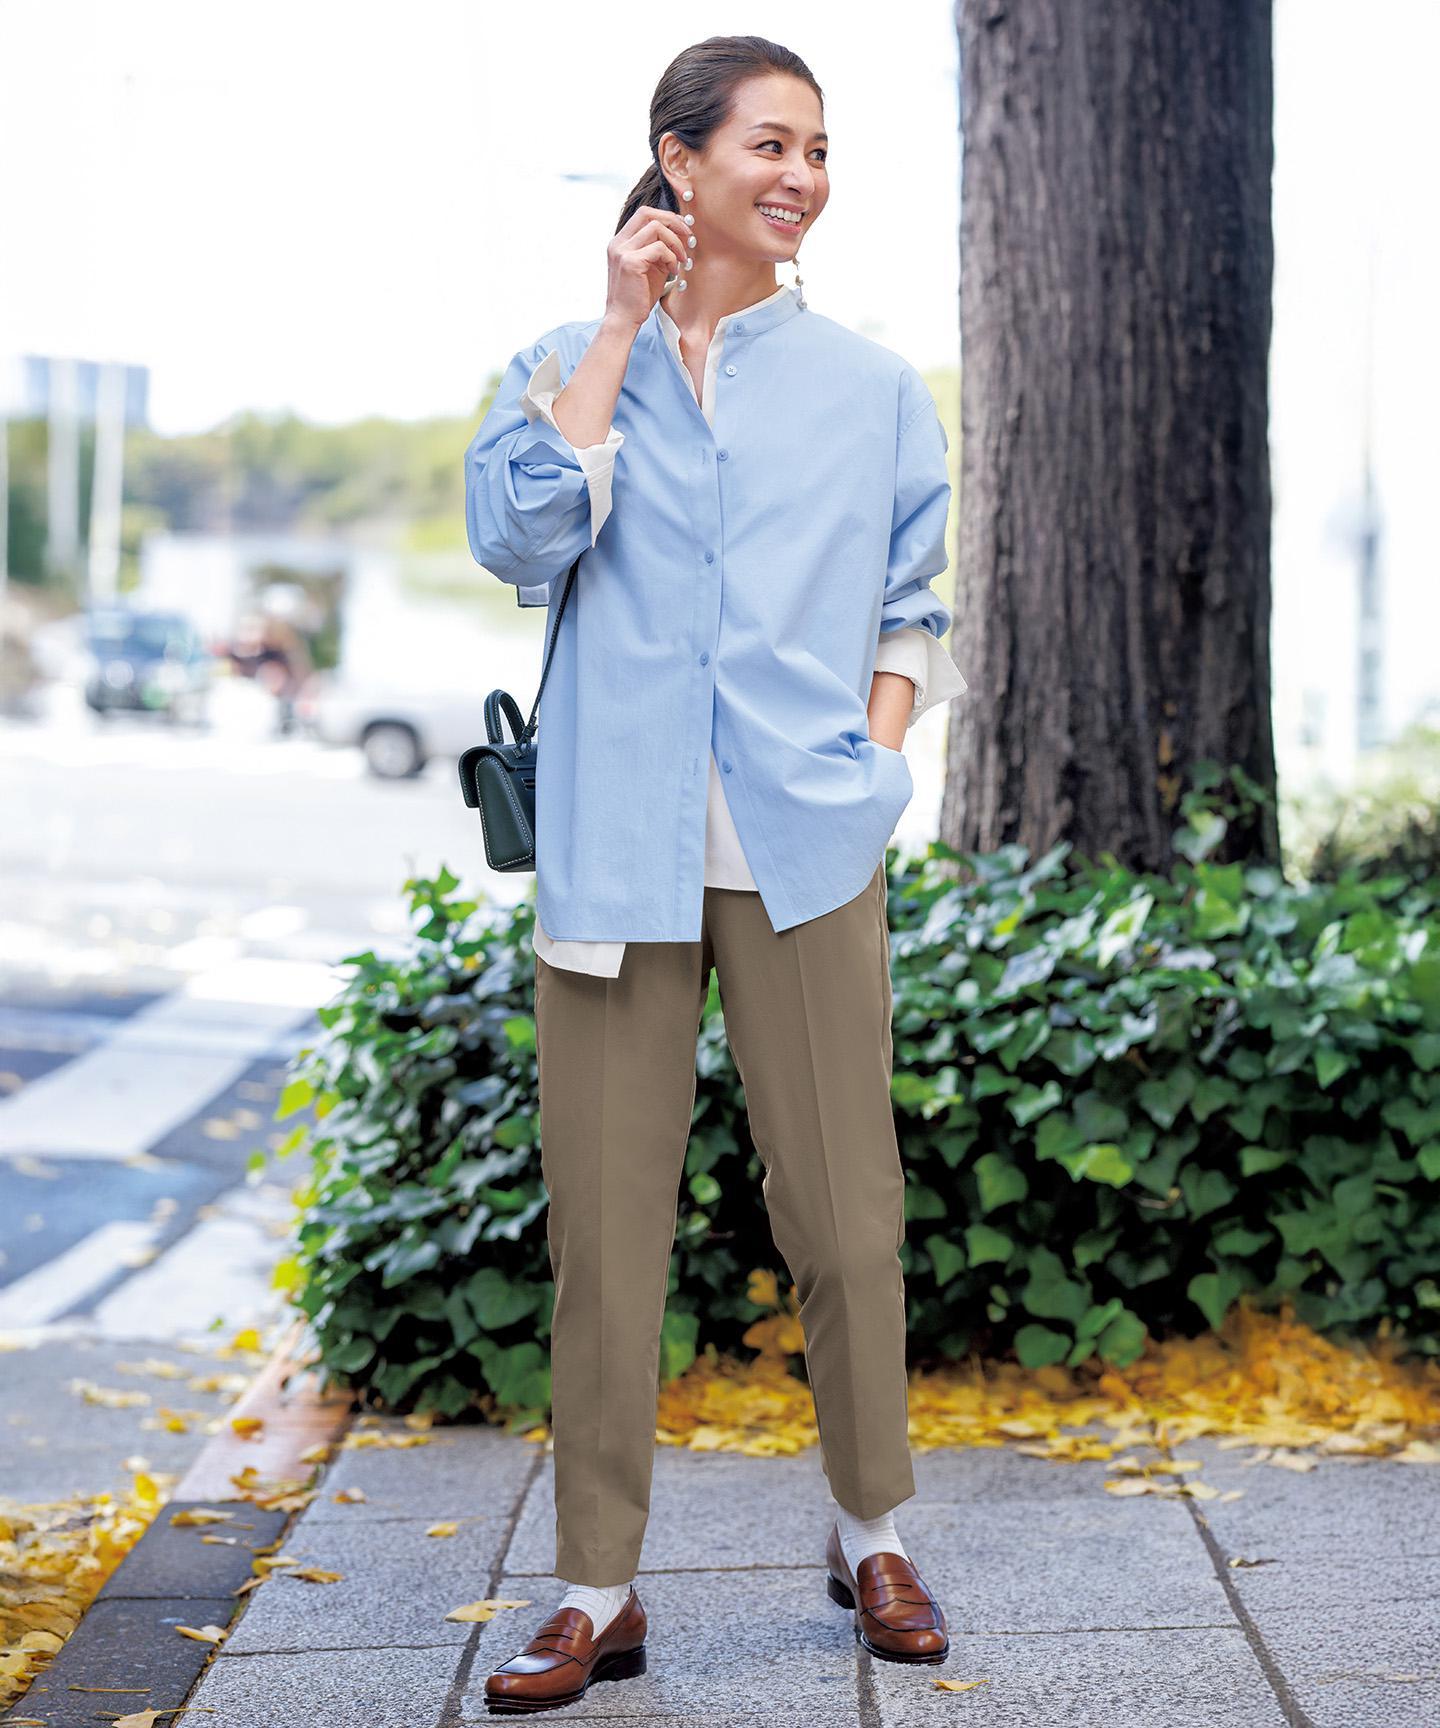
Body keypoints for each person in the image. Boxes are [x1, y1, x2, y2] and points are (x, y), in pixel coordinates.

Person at [466, 35, 967, 1714]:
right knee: (606, 1237)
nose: (801, 176)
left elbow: (911, 600)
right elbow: (518, 538)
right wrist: (618, 328)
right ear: (678, 162)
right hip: (614, 853)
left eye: (817, 148)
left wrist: (872, 769)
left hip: (804, 847)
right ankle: (595, 1589)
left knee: (845, 1214)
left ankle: (873, 1532)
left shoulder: (872, 390)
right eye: (769, 144)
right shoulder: (560, 365)